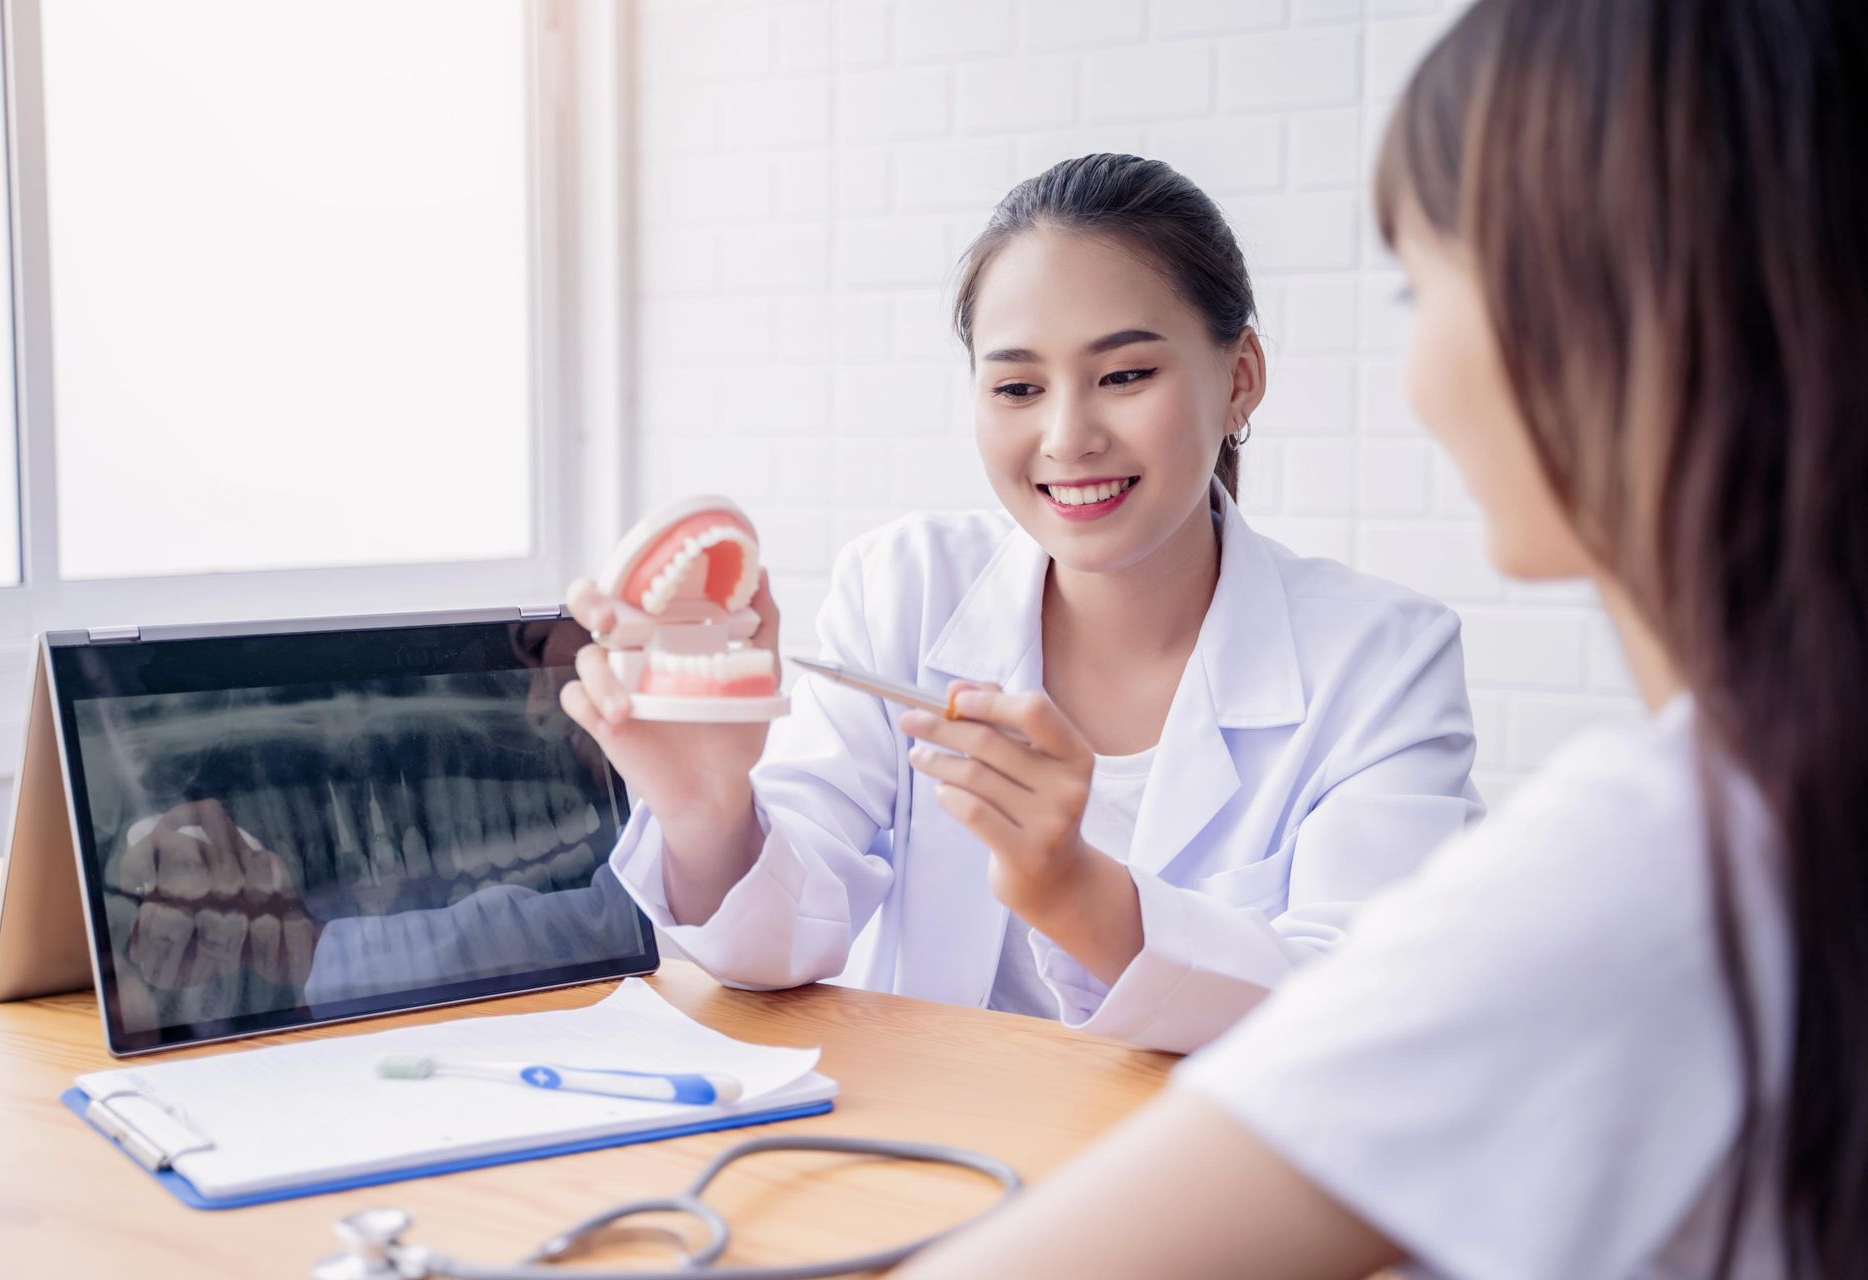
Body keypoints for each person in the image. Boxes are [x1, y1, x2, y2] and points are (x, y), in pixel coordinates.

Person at [900, 0, 1868, 1275]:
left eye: (1426, 285)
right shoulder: (1787, 802)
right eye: (1018, 382)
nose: (1417, 370)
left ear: (1616, 314)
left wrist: (1092, 898)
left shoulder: (1659, 862)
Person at [563, 154, 1481, 1053]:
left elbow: (1359, 1017)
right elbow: (782, 947)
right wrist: (707, 806)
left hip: (1210, 1183)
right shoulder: (906, 589)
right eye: (1017, 388)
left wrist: (1075, 889)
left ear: (1239, 375)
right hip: (934, 1155)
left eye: (1125, 376)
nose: (1068, 436)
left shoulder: (1385, 659)